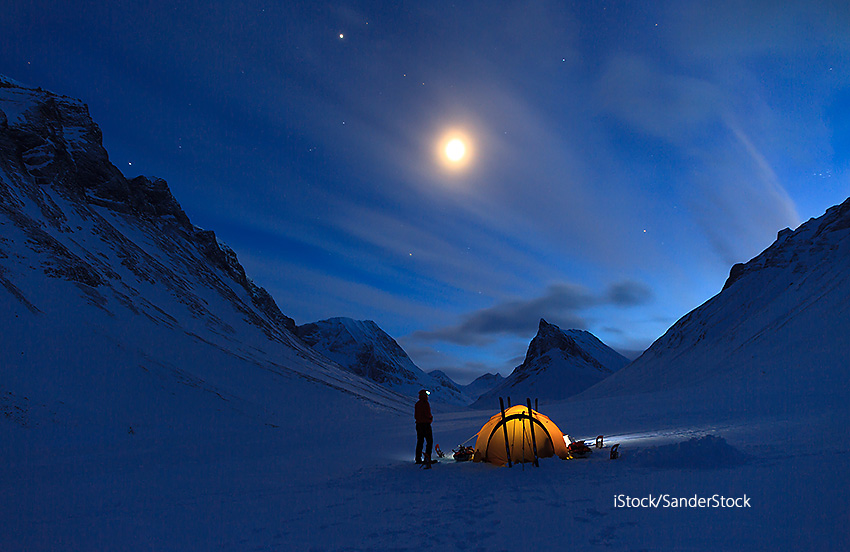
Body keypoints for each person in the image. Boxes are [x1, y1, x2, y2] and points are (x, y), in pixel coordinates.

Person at [414, 389, 434, 467]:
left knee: (420, 441)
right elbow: (427, 414)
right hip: (425, 424)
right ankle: (427, 458)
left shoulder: (417, 404)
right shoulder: (425, 403)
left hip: (418, 425)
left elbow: (416, 415)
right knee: (429, 441)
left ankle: (418, 458)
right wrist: (430, 419)